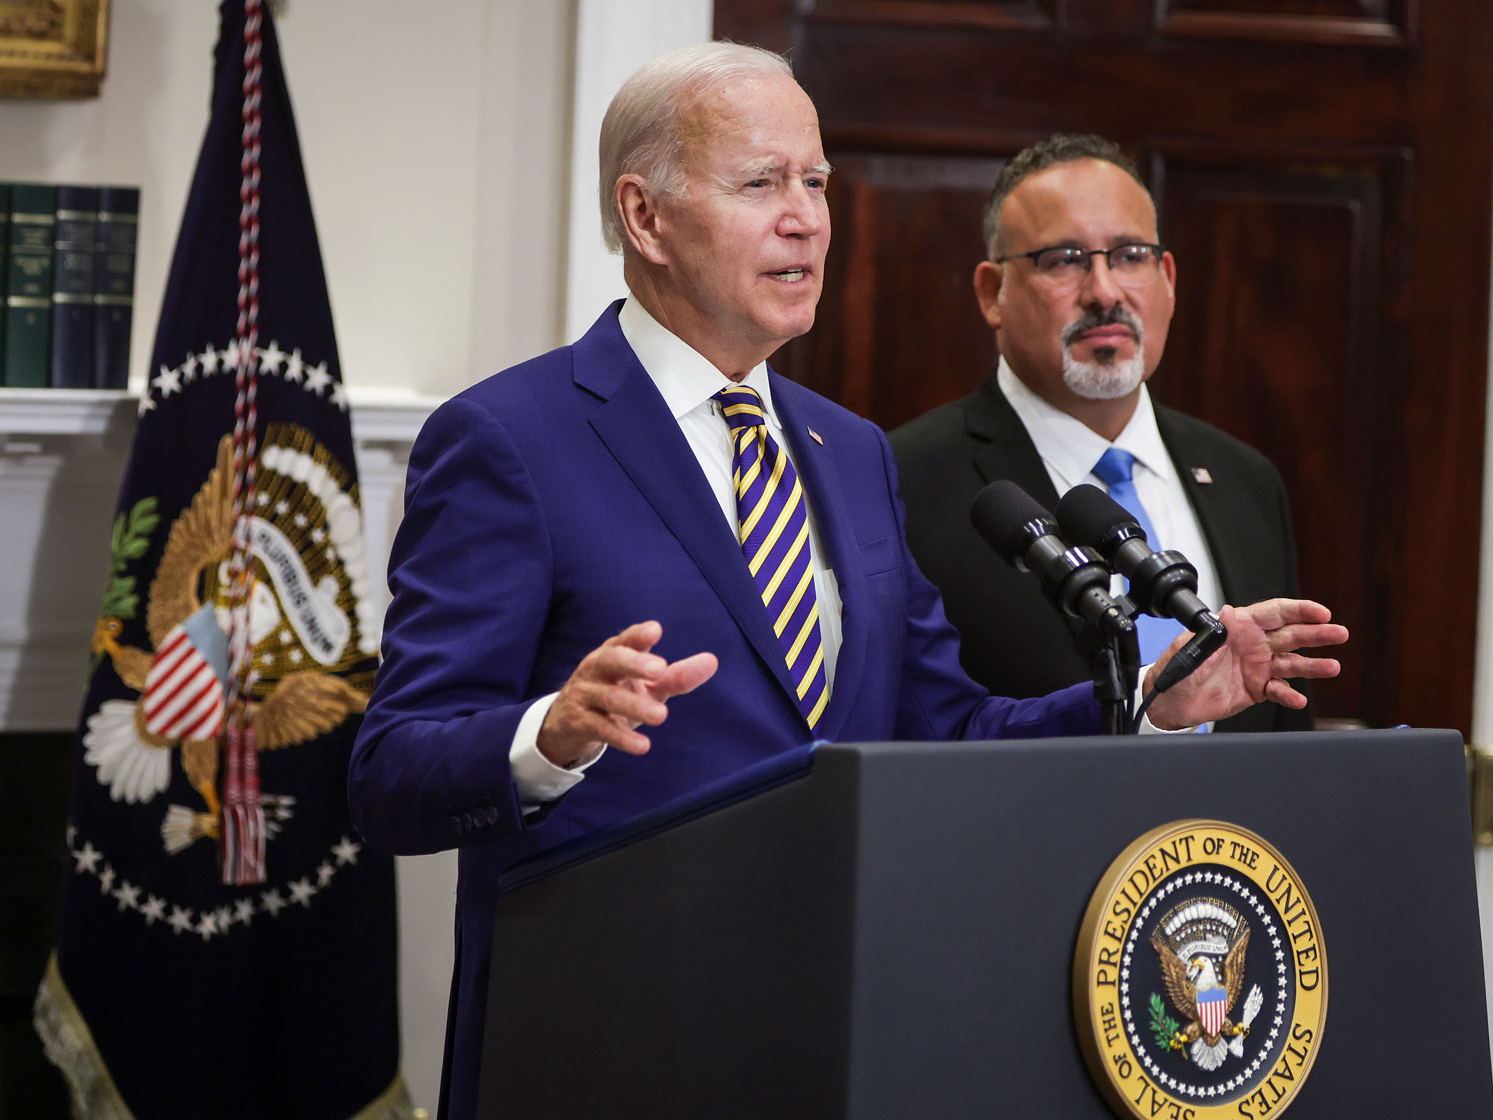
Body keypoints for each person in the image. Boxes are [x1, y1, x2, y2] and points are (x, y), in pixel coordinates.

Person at [348, 52, 1345, 1119]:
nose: (808, 220)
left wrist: (1147, 704)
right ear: (644, 217)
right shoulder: (510, 439)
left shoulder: (848, 450)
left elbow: (945, 727)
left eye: (818, 184)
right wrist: (548, 735)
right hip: (606, 1043)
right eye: (761, 184)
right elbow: (388, 771)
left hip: (832, 1038)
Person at [891, 133, 1312, 732]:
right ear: (993, 293)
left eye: (1130, 255)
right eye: (1063, 259)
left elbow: (1282, 722)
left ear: (1167, 278)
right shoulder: (906, 481)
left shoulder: (1245, 478)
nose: (1105, 292)